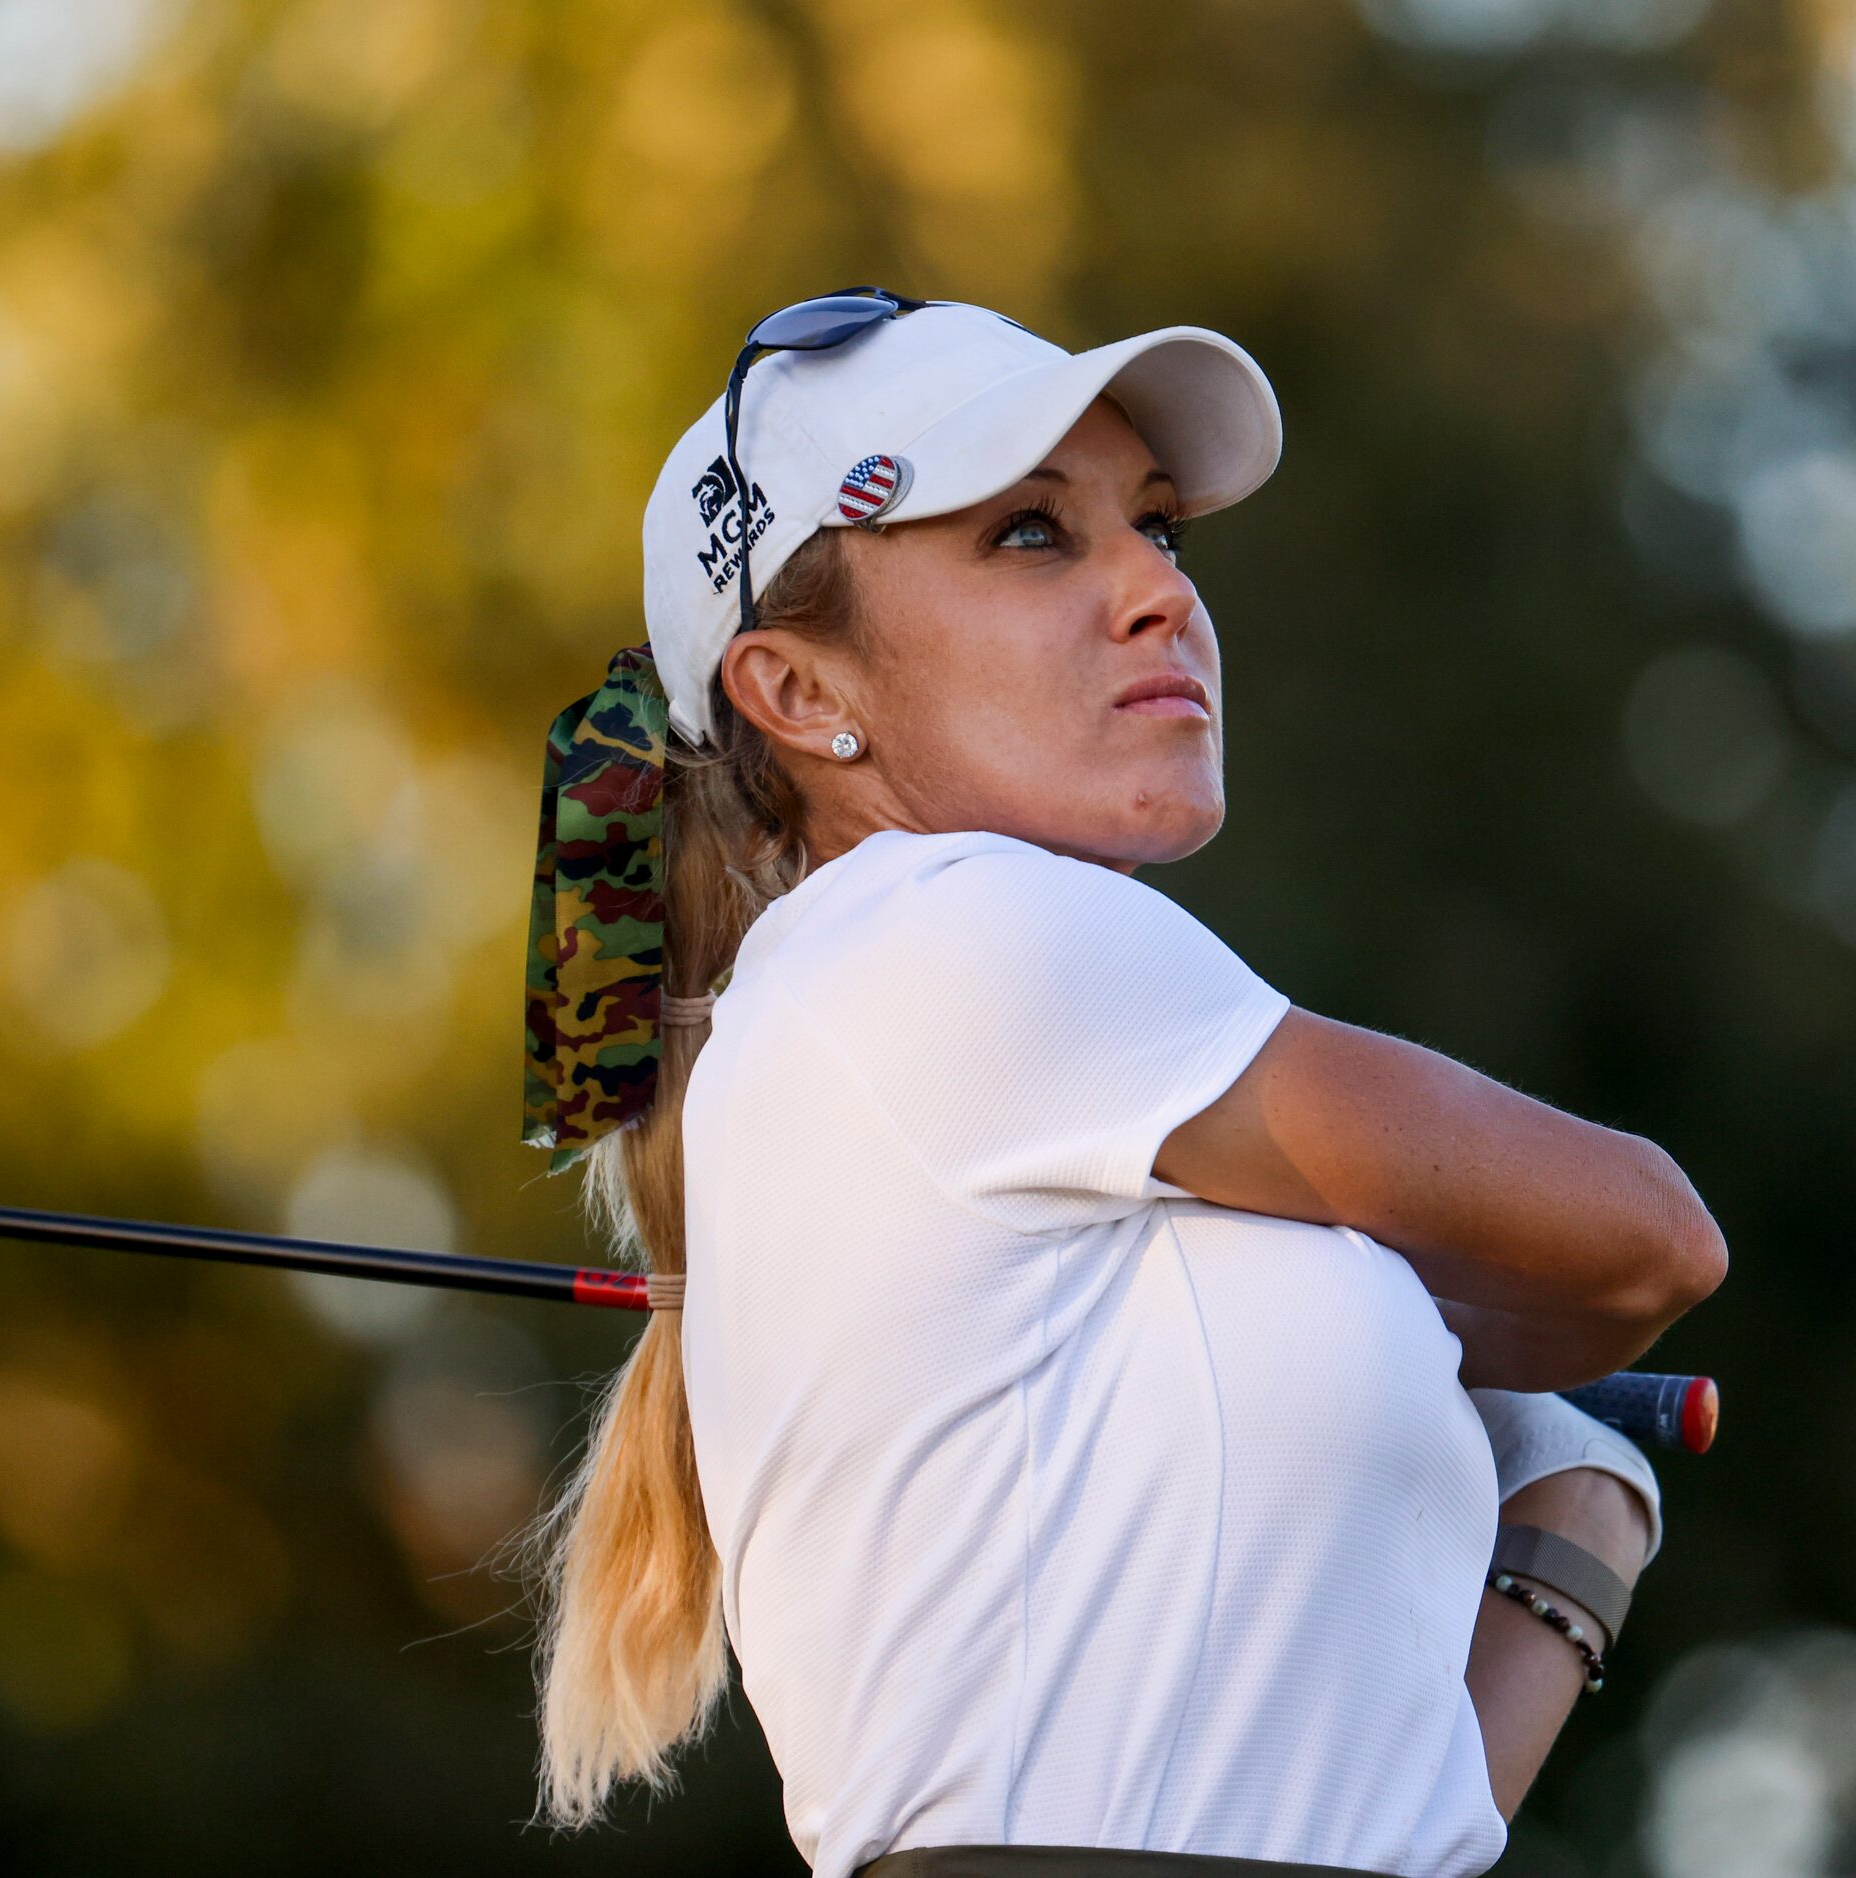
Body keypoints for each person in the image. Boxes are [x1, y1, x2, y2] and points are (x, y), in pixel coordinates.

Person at [515, 293, 1726, 1878]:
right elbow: (1644, 1235)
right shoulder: (948, 925)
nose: (1160, 589)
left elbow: (1404, 1827)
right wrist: (1495, 1339)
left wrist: (1575, 1522)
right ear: (801, 696)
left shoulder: (910, 1021)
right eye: (1031, 534)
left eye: (1158, 529)